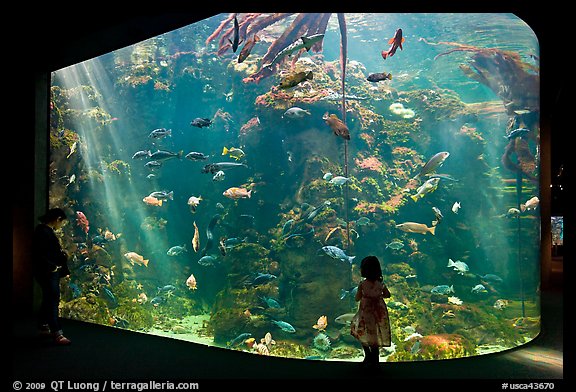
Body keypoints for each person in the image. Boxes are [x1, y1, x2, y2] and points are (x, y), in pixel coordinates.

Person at [32, 208, 72, 345]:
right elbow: (39, 254)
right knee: (53, 300)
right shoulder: (43, 232)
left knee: (48, 298)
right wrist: (52, 267)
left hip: (49, 271)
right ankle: (57, 333)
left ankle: (43, 326)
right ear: (58, 219)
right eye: (62, 222)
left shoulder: (44, 230)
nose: (61, 225)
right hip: (48, 272)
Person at [350, 255, 391, 367]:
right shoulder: (381, 284)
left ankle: (368, 356)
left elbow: (357, 298)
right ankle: (375, 361)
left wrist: (364, 295)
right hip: (378, 314)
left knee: (360, 331)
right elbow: (388, 295)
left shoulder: (362, 284)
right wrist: (378, 295)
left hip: (366, 314)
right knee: (375, 337)